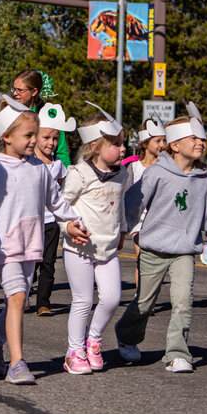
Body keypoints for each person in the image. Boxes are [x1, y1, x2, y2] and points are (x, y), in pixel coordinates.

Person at [0, 96, 88, 384]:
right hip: (5, 245)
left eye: (36, 134)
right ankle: (17, 363)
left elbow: (56, 201)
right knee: (18, 297)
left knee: (16, 303)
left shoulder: (40, 168)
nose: (34, 140)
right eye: (28, 135)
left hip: (30, 244)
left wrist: (70, 222)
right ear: (6, 137)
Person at [117, 112, 207, 373]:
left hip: (185, 251)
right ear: (175, 145)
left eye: (202, 138)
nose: (201, 142)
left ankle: (177, 353)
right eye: (194, 138)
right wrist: (120, 230)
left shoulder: (205, 181)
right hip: (153, 248)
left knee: (182, 301)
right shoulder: (156, 173)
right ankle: (126, 335)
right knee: (144, 303)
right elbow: (133, 204)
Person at [60, 104, 126, 374]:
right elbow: (59, 206)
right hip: (80, 248)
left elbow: (119, 206)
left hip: (108, 248)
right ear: (96, 146)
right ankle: (74, 351)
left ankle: (94, 339)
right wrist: (68, 227)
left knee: (111, 298)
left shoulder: (122, 174)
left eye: (124, 144)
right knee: (83, 300)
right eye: (116, 144)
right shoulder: (79, 174)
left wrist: (121, 230)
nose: (123, 149)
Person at [32, 103, 76, 317]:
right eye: (46, 138)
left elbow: (64, 187)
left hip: (51, 221)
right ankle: (21, 295)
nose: (51, 143)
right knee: (31, 262)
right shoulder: (29, 162)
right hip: (30, 220)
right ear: (35, 137)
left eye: (55, 138)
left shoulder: (58, 164)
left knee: (48, 263)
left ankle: (43, 303)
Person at [0, 69, 71, 166]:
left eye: (20, 90)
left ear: (34, 91)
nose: (15, 93)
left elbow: (61, 152)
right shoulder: (7, 112)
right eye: (14, 89)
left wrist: (66, 177)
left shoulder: (49, 114)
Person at [123, 118, 167, 278]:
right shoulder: (134, 167)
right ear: (144, 143)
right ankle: (139, 297)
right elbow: (126, 196)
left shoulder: (167, 168)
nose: (162, 144)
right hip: (139, 222)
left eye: (164, 140)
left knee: (156, 265)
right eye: (157, 141)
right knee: (142, 260)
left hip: (160, 221)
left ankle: (148, 295)